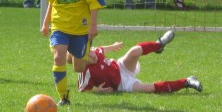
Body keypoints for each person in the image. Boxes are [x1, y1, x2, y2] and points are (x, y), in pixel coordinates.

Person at [41, 0, 106, 106]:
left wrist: (93, 26)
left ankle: (77, 54)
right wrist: (46, 23)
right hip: (60, 26)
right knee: (58, 57)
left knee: (79, 67)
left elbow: (95, 3)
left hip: (80, 29)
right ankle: (63, 97)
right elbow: (52, 2)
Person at [75, 30, 203, 94]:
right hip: (123, 85)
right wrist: (98, 90)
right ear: (83, 63)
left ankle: (158, 45)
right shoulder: (85, 73)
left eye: (90, 53)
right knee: (148, 88)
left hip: (121, 67)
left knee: (134, 51)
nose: (94, 56)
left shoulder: (91, 50)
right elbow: (82, 90)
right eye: (90, 59)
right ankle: (186, 82)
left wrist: (113, 47)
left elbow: (101, 49)